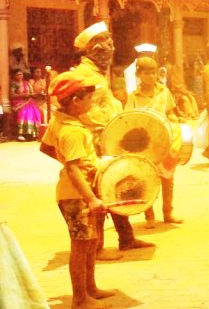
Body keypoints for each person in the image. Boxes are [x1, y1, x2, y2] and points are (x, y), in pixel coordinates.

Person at [72, 22, 153, 260]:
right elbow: (82, 112)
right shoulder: (83, 76)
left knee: (114, 187)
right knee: (100, 193)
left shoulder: (96, 74)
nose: (111, 45)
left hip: (107, 140)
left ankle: (126, 238)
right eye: (107, 41)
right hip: (94, 144)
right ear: (93, 48)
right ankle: (97, 248)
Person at [41, 70, 116, 309]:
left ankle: (90, 288)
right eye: (88, 99)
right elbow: (73, 170)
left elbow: (46, 147)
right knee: (81, 246)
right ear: (75, 101)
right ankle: (80, 299)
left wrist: (67, 160)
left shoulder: (61, 120)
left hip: (76, 193)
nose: (92, 103)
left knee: (90, 242)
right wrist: (91, 198)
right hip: (76, 196)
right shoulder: (72, 131)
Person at [125, 57, 185, 228]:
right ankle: (149, 216)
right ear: (139, 75)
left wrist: (174, 123)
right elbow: (128, 119)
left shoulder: (164, 92)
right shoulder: (133, 97)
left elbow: (170, 112)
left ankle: (168, 213)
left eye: (153, 73)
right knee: (147, 178)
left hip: (163, 140)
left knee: (168, 177)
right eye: (146, 73)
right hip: (144, 143)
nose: (151, 76)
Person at [11, 70, 42, 141]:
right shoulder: (14, 84)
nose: (20, 76)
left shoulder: (27, 83)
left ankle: (32, 133)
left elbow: (32, 93)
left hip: (28, 100)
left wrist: (33, 95)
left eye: (21, 74)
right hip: (18, 101)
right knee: (24, 112)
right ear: (14, 76)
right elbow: (12, 95)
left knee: (35, 111)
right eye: (18, 75)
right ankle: (21, 133)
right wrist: (23, 95)